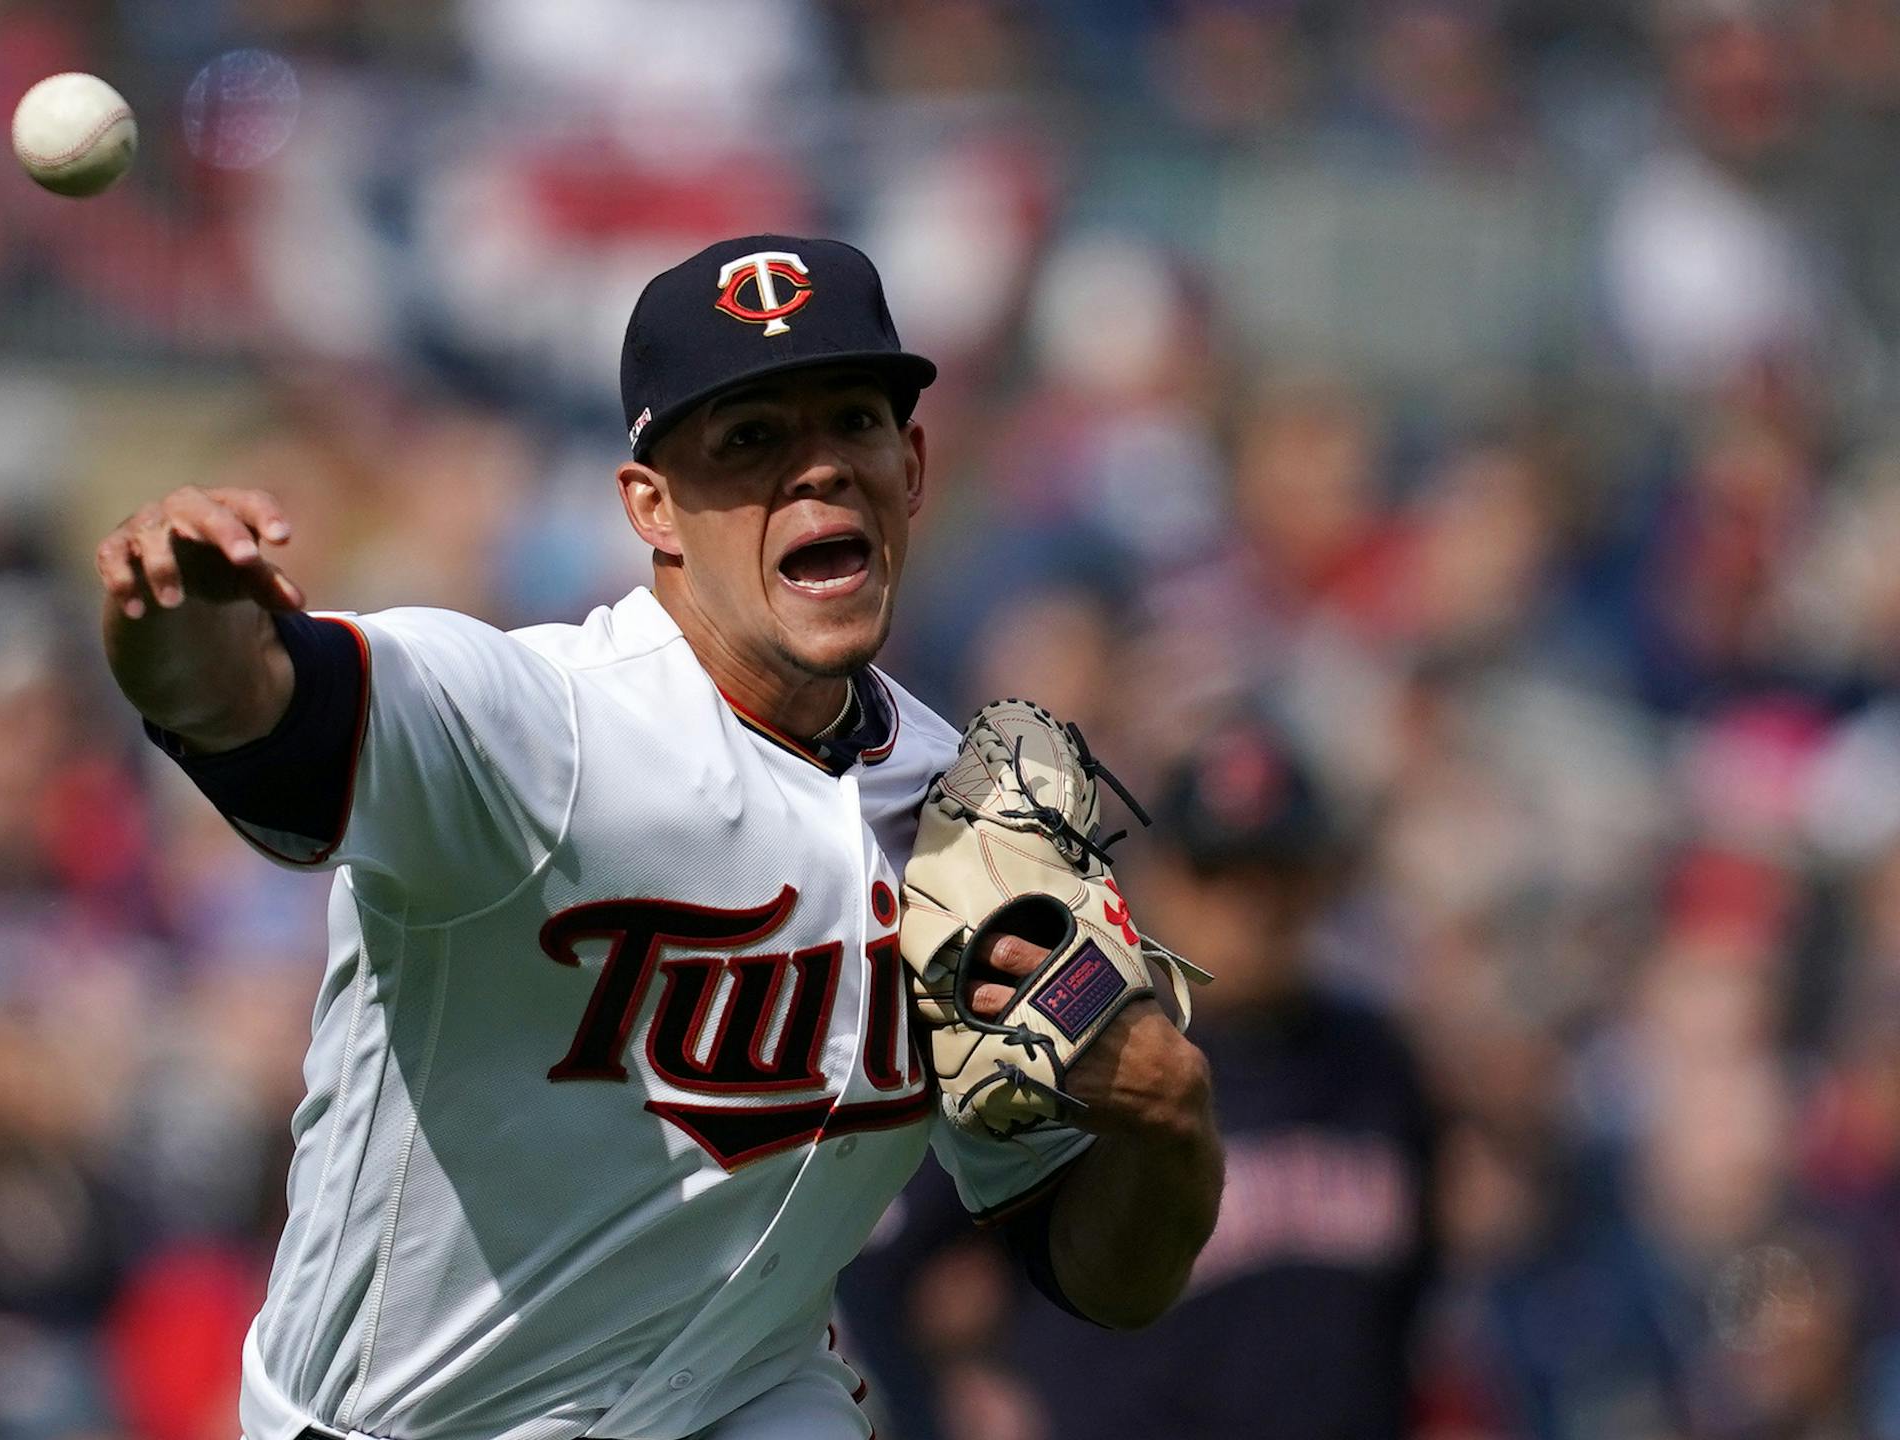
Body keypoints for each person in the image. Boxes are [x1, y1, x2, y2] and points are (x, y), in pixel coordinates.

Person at [91, 236, 1223, 1440]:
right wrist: (174, 620)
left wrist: (1171, 1121)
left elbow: (1106, 1280)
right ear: (652, 506)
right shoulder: (543, 728)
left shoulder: (963, 826)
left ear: (913, 465)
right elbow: (261, 704)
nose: (818, 468)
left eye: (853, 420)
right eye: (750, 440)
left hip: (743, 1401)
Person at [1010, 716, 1435, 1440]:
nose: (1254, 909)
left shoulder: (1377, 1061)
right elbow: (907, 1263)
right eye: (1220, 874)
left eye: (1278, 872)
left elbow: (1417, 1301)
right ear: (1156, 883)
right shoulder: (1085, 1057)